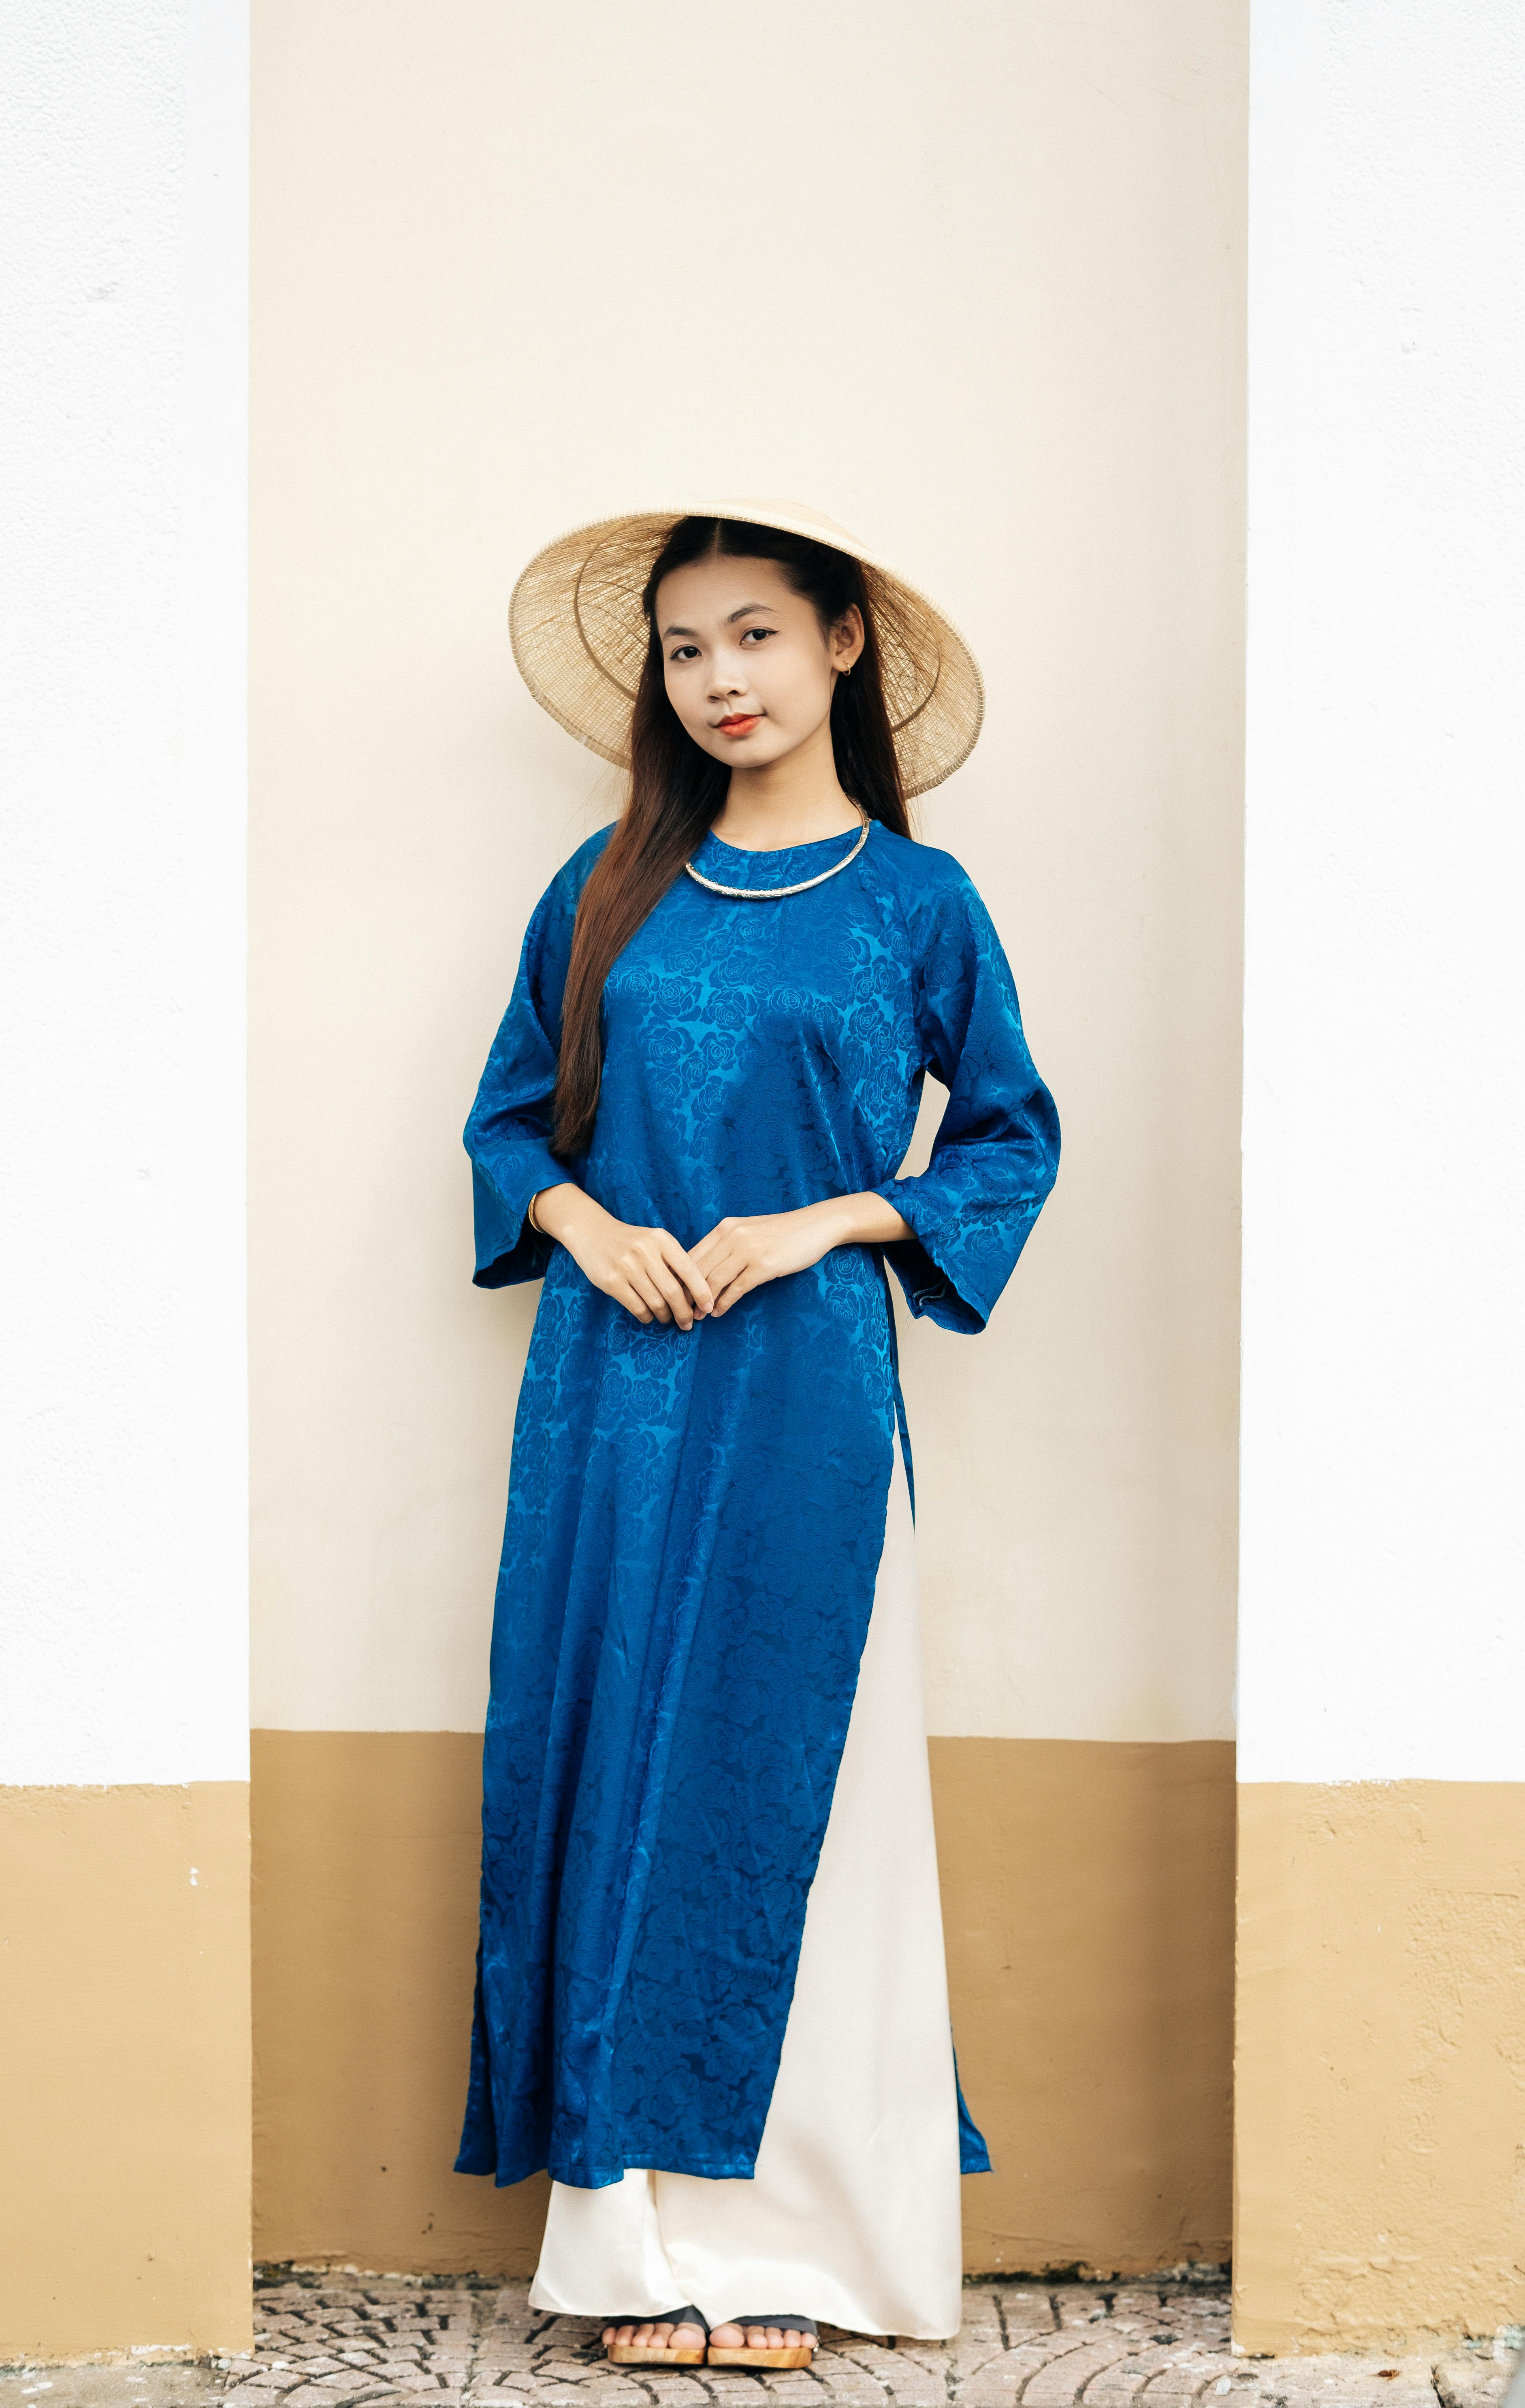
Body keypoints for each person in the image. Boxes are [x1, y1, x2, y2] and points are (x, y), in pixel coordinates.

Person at [454, 502, 1060, 2367]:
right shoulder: (604, 886)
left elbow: (1010, 1139)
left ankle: (816, 2242)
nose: (720, 677)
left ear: (842, 643)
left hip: (811, 1400)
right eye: (686, 647)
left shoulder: (919, 905)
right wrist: (586, 1225)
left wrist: (827, 1219)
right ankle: (634, 2251)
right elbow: (508, 1123)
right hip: (610, 1403)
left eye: (755, 634)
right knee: (618, 1763)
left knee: (808, 1779)